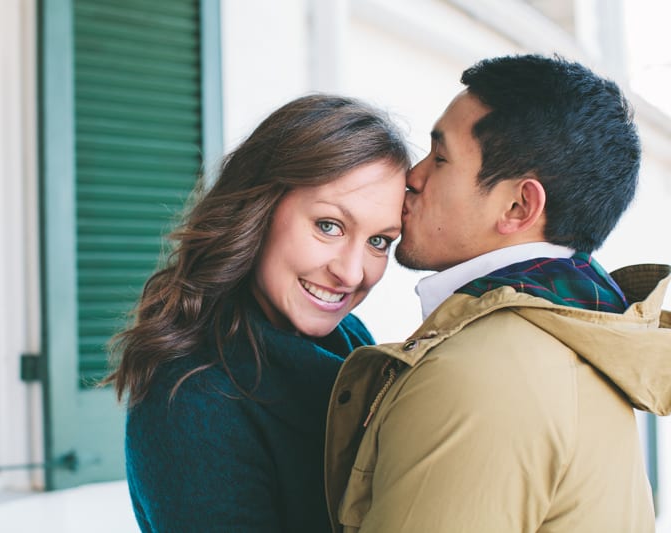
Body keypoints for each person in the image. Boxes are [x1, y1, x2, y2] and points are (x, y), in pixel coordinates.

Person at [325, 54, 671, 532]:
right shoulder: (573, 335)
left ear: (518, 204)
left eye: (440, 158)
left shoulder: (481, 374)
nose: (413, 177)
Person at [105, 94, 411, 532]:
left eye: (379, 241)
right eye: (328, 225)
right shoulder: (192, 395)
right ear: (261, 209)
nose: (351, 272)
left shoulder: (349, 339)